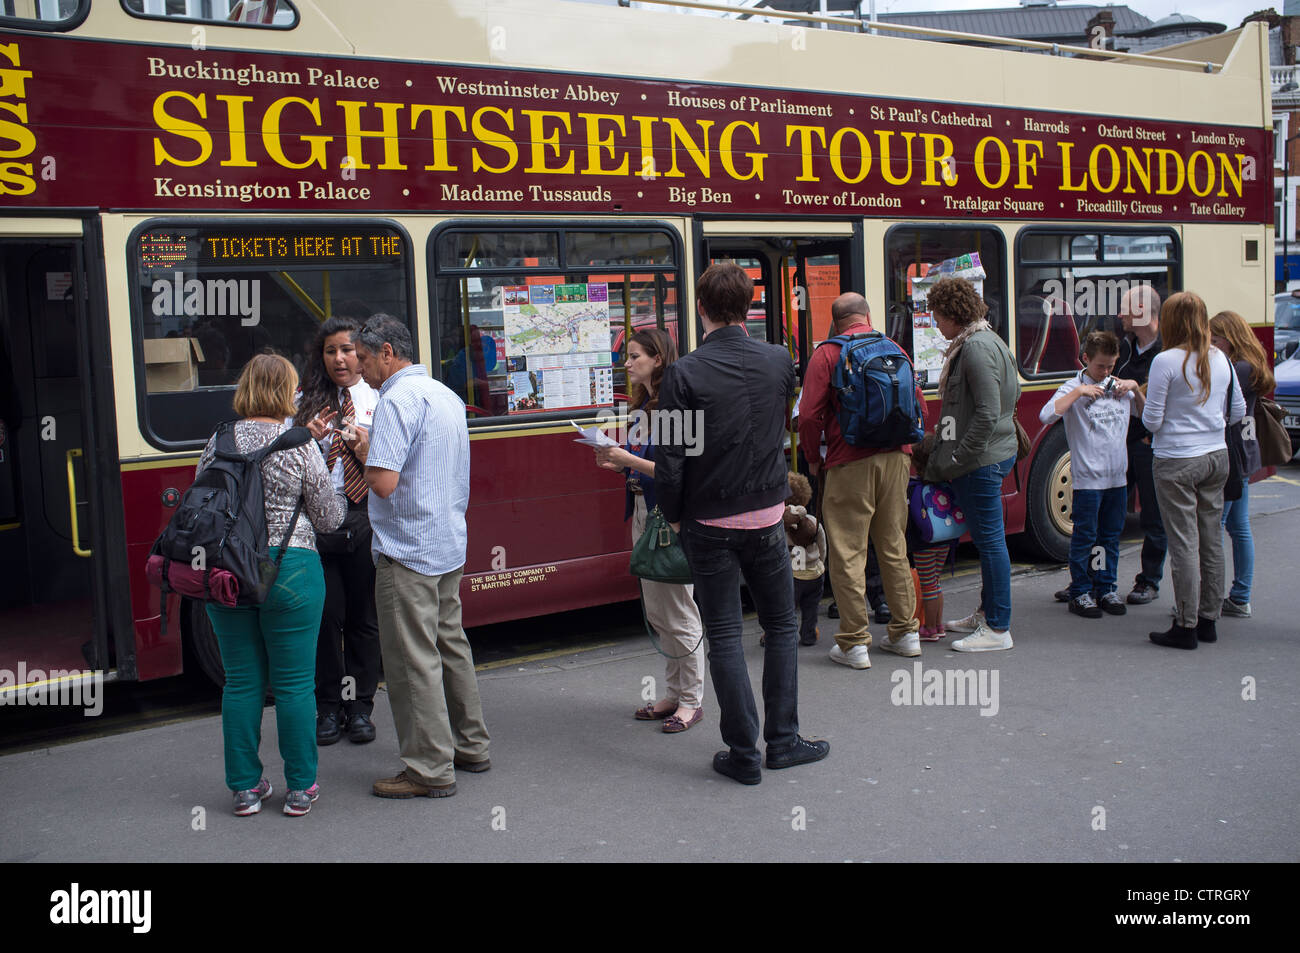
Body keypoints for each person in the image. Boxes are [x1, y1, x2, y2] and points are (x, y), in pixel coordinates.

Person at [656, 262, 829, 785]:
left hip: (708, 521)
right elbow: (780, 420)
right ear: (751, 305)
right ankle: (783, 741)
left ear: (701, 308)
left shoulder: (683, 373)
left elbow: (671, 460)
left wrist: (677, 517)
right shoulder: (779, 360)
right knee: (780, 626)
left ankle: (743, 753)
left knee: (725, 634)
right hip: (768, 517)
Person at [198, 353, 344, 817]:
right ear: (286, 392)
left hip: (228, 572)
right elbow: (329, 516)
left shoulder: (217, 440)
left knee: (241, 683)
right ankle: (299, 788)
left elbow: (204, 503)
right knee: (296, 685)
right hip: (291, 569)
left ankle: (244, 788)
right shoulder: (298, 443)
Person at [355, 314, 491, 797]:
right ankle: (471, 745)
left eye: (366, 359)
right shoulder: (445, 395)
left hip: (407, 548)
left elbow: (384, 483)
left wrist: (365, 451)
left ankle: (428, 768)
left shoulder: (394, 401)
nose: (361, 369)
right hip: (448, 542)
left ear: (388, 353)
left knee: (412, 661)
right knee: (451, 646)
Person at [798, 292, 920, 669]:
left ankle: (854, 643)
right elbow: (920, 406)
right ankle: (905, 633)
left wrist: (813, 459)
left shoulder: (827, 354)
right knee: (893, 546)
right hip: (898, 459)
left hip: (849, 461)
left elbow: (808, 416)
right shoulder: (893, 346)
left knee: (849, 551)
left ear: (836, 323)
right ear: (867, 315)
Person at [593, 329, 705, 733]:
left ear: (658, 359)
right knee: (659, 612)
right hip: (644, 511)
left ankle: (692, 701)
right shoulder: (642, 407)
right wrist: (618, 462)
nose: (626, 363)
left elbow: (679, 476)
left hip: (668, 517)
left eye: (634, 355)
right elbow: (645, 465)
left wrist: (627, 458)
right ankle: (675, 693)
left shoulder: (676, 407)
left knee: (679, 611)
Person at [292, 316, 381, 746]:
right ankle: (328, 708)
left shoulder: (381, 398)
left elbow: (395, 468)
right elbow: (286, 465)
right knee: (326, 619)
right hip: (318, 522)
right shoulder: (304, 400)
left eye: (347, 350)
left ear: (362, 353)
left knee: (364, 619)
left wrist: (366, 449)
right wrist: (304, 439)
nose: (340, 359)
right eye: (331, 351)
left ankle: (361, 707)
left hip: (366, 517)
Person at [1142, 292, 1246, 649]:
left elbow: (1152, 421)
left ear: (1169, 322)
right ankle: (1208, 621)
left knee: (1183, 543)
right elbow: (1237, 412)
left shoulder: (1165, 361)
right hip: (1216, 457)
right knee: (1212, 539)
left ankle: (1184, 625)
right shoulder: (1221, 358)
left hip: (1176, 461)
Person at [924, 277, 1020, 652]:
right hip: (989, 454)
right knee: (987, 540)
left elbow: (987, 411)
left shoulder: (977, 348)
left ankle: (997, 628)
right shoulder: (986, 340)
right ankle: (987, 612)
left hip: (980, 460)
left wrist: (961, 455)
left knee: (991, 541)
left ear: (953, 314)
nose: (935, 324)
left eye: (937, 316)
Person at [1040, 331, 1145, 618]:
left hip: (1117, 477)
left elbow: (1148, 418)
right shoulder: (1072, 386)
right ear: (1086, 359)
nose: (1106, 372)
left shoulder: (1119, 386)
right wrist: (1078, 393)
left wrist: (1136, 387)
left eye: (1111, 366)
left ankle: (1105, 586)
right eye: (1101, 366)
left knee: (1110, 537)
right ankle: (1081, 590)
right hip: (1088, 479)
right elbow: (1046, 415)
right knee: (1085, 536)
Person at [1209, 309, 1274, 619]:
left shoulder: (1238, 369)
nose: (1211, 343)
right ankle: (1239, 596)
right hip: (1244, 452)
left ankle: (1212, 598)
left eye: (1215, 338)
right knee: (1238, 526)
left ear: (1230, 338)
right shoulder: (1251, 365)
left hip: (1232, 453)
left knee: (1216, 528)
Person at [1116, 285, 1167, 605]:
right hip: (1119, 440)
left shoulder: (1166, 355)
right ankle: (1094, 577)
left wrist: (1135, 390)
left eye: (1125, 309)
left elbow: (1160, 411)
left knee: (1153, 516)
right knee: (1107, 513)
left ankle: (1149, 581)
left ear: (1144, 313)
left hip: (1149, 443)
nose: (1119, 315)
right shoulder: (1124, 347)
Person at [906, 435, 952, 641]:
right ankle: (939, 624)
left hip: (924, 542)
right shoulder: (945, 483)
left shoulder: (915, 488)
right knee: (936, 581)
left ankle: (930, 627)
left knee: (927, 585)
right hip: (945, 539)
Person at [782, 471, 827, 647]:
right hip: (815, 573)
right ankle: (808, 634)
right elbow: (823, 546)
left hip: (793, 575)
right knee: (811, 608)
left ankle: (787, 637)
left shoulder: (783, 527)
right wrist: (821, 562)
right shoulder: (814, 522)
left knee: (787, 609)